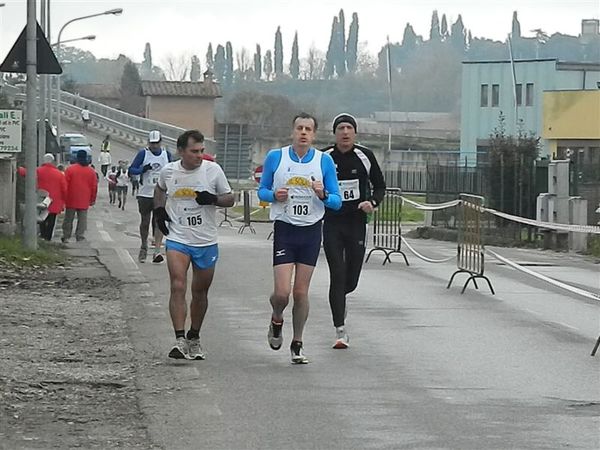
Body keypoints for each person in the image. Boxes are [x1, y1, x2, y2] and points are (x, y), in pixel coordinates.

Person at [258, 112, 341, 364]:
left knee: (301, 292)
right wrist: (274, 195)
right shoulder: (276, 157)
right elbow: (262, 190)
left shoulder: (323, 161)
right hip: (285, 228)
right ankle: (276, 317)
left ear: (314, 134)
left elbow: (337, 202)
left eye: (308, 129)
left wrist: (323, 194)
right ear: (292, 131)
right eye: (299, 128)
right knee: (282, 293)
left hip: (311, 230)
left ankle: (297, 342)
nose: (303, 132)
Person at [153, 129, 234, 360]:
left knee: (200, 291)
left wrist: (213, 199)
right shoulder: (169, 171)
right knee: (178, 285)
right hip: (178, 238)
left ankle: (194, 336)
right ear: (181, 152)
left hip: (205, 240)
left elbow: (231, 198)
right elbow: (160, 189)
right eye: (194, 151)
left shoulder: (213, 171)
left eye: (202, 151)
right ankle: (179, 339)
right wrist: (159, 211)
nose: (199, 156)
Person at [322, 113, 386, 349]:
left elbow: (380, 186)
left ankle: (341, 299)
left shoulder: (365, 156)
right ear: (335, 133)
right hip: (332, 222)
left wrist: (373, 202)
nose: (345, 132)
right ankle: (340, 330)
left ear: (355, 133)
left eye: (349, 128)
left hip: (357, 222)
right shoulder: (325, 157)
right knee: (337, 275)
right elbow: (315, 184)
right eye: (341, 128)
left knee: (350, 281)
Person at [128, 130, 173, 263]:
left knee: (159, 221)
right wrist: (143, 169)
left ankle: (157, 251)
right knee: (145, 221)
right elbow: (131, 169)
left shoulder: (166, 154)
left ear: (160, 142)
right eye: (152, 143)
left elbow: (173, 170)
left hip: (160, 193)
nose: (154, 146)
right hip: (145, 193)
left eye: (156, 143)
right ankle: (143, 246)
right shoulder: (143, 153)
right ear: (149, 142)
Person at [62, 149, 98, 243]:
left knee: (68, 218)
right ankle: (80, 236)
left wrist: (64, 197)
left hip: (71, 197)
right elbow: (94, 187)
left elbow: (65, 184)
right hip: (84, 198)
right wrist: (92, 199)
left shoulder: (70, 169)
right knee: (82, 219)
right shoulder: (91, 171)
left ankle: (66, 236)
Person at [37, 154, 67, 241]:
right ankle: (48, 237)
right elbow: (64, 189)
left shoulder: (38, 171)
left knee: (42, 218)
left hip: (41, 199)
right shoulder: (59, 174)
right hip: (55, 201)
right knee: (51, 220)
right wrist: (64, 201)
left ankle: (42, 235)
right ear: (53, 161)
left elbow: (26, 173)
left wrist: (18, 169)